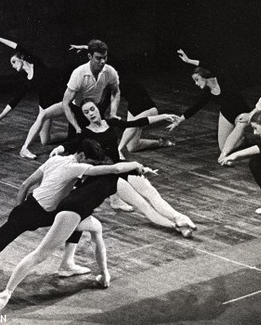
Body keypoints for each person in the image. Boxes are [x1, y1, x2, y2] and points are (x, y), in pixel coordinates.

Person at [0, 139, 142, 309]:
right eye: (89, 162)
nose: (89, 167)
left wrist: (18, 207)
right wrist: (135, 164)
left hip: (34, 209)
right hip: (30, 214)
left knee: (82, 221)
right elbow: (113, 170)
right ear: (82, 155)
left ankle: (67, 264)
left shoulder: (55, 160)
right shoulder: (75, 167)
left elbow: (26, 184)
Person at [51, 99, 196, 238]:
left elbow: (136, 122)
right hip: (110, 174)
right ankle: (176, 226)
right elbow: (72, 144)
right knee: (143, 205)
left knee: (152, 194)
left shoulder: (111, 122)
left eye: (92, 109)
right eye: (86, 112)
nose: (91, 113)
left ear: (98, 109)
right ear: (84, 115)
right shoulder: (86, 133)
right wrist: (58, 149)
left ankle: (179, 217)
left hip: (124, 166)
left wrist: (163, 116)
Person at [68, 44, 174, 160]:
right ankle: (160, 142)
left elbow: (107, 55)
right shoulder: (110, 85)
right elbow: (103, 106)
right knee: (133, 146)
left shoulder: (117, 71)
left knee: (130, 129)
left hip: (149, 108)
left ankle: (118, 151)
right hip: (134, 109)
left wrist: (85, 47)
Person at [64, 39, 131, 210]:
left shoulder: (109, 72)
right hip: (79, 112)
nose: (102, 62)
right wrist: (78, 128)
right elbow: (66, 103)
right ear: (89, 56)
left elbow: (116, 92)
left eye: (105, 58)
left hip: (96, 108)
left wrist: (113, 112)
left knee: (111, 154)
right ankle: (70, 195)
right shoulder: (79, 74)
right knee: (76, 156)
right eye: (98, 58)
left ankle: (115, 199)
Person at [0, 30, 67, 159]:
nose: (12, 65)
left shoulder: (36, 63)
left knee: (43, 116)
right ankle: (72, 135)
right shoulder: (27, 81)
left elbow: (16, 46)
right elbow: (13, 102)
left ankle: (24, 148)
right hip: (45, 106)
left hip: (59, 102)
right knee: (45, 140)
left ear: (21, 59)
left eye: (14, 62)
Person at [169, 50, 251, 158]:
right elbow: (196, 106)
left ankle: (239, 134)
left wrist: (189, 61)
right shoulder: (208, 92)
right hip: (226, 114)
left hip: (242, 112)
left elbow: (209, 65)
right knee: (223, 147)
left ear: (204, 76)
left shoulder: (222, 78)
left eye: (197, 79)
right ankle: (242, 140)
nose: (196, 83)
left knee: (242, 128)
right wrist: (180, 119)